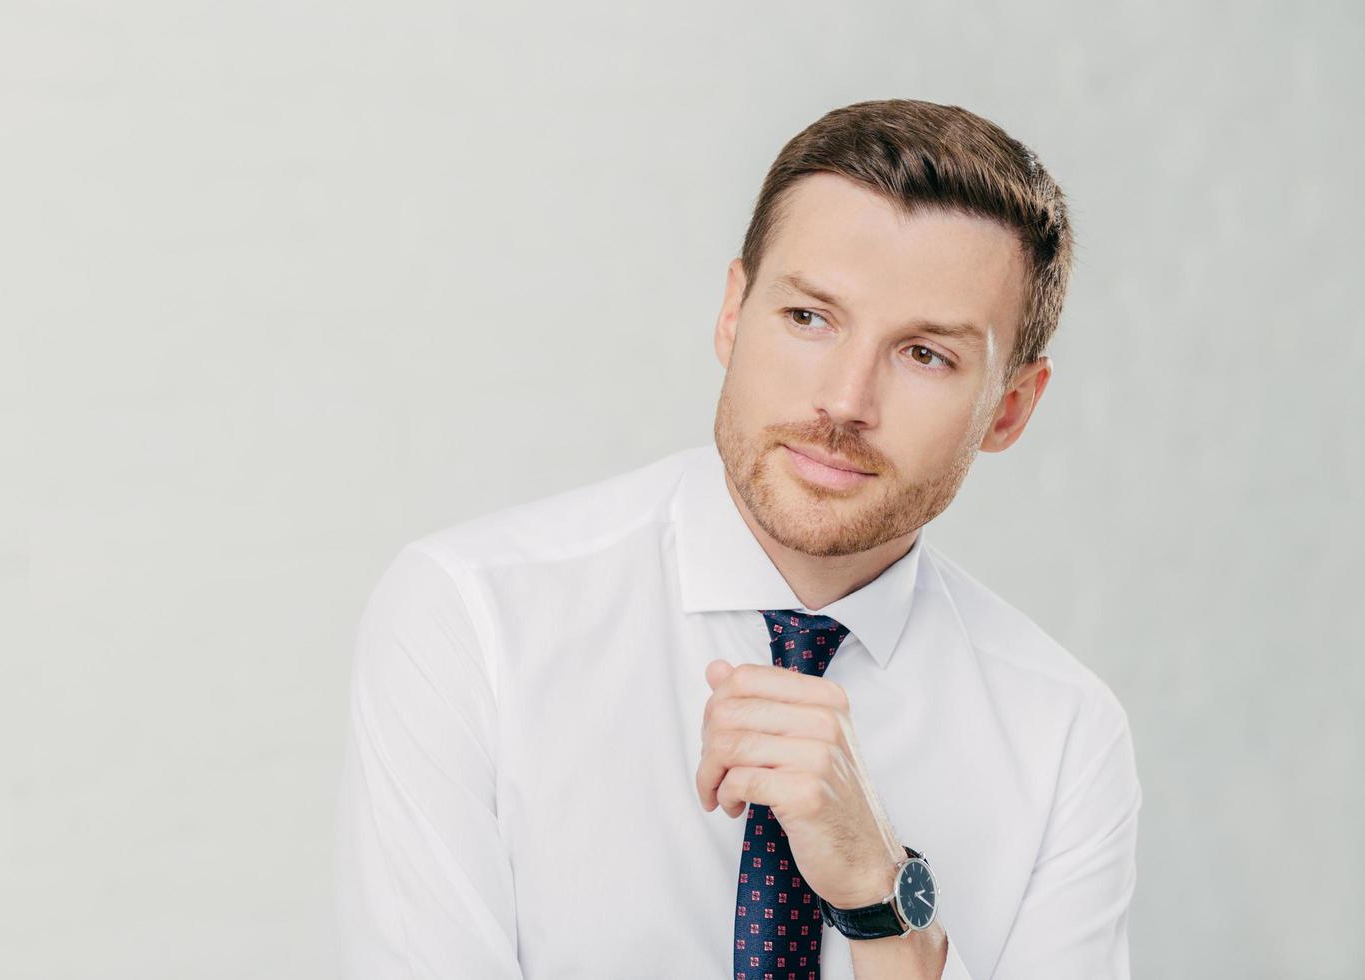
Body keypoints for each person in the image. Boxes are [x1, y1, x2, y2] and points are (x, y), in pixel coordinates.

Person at [334, 98, 1142, 980]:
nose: (844, 401)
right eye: (808, 318)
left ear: (1012, 408)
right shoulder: (474, 619)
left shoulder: (1064, 737)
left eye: (925, 355)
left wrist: (882, 905)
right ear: (733, 311)